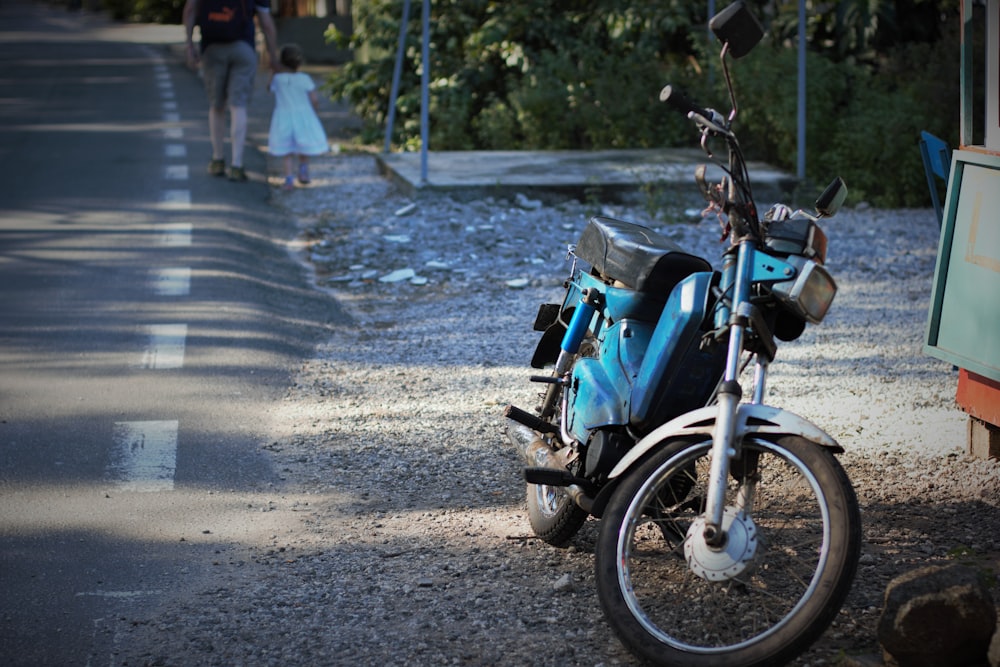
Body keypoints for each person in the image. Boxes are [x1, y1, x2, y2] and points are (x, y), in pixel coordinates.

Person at [183, 0, 279, 182]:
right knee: (238, 106)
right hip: (244, 49)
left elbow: (189, 10)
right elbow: (266, 24)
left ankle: (218, 159)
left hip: (212, 49)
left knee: (216, 106)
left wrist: (189, 44)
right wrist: (273, 56)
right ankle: (237, 164)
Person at [267, 44, 329, 191]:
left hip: (283, 116)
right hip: (303, 116)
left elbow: (269, 88)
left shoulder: (278, 79)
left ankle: (289, 178)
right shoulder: (304, 78)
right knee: (304, 145)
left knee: (287, 150)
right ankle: (303, 171)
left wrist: (272, 72)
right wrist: (314, 111)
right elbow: (314, 99)